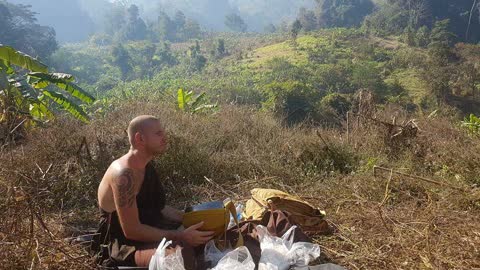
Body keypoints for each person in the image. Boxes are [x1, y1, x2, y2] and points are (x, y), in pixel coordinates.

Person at [92, 115, 214, 268]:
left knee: (210, 234)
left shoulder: (146, 167)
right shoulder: (123, 174)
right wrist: (180, 236)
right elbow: (131, 231)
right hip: (124, 243)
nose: (165, 137)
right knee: (179, 257)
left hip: (151, 227)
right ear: (140, 138)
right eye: (158, 133)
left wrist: (193, 219)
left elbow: (160, 208)